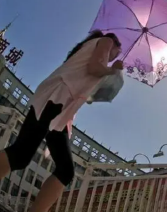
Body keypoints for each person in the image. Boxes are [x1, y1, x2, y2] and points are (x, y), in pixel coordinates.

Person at [0, 30, 123, 212]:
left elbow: (89, 86)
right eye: (117, 52)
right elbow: (94, 69)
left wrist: (108, 76)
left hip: (62, 109)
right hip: (56, 98)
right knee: (21, 154)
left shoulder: (89, 49)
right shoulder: (106, 41)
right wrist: (113, 70)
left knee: (64, 169)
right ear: (115, 44)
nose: (114, 56)